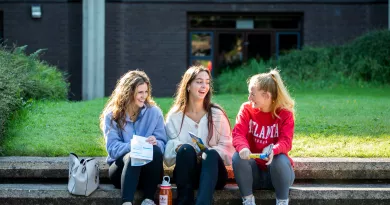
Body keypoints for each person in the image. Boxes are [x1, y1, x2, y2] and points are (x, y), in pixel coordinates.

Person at [164, 65, 235, 205]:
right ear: (188, 85)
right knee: (185, 150)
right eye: (199, 81)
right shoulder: (174, 116)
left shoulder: (216, 114)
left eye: (207, 82)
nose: (204, 86)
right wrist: (180, 147)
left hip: (213, 174)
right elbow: (168, 156)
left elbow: (229, 150)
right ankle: (184, 201)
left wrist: (207, 153)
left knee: (210, 154)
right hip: (187, 172)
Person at [100, 70, 167, 205]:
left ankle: (148, 200)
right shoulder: (112, 116)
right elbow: (113, 149)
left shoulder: (154, 113)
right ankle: (127, 202)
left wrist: (156, 143)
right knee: (133, 155)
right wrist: (135, 146)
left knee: (155, 151)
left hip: (148, 173)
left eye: (146, 92)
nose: (144, 96)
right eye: (140, 92)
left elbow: (163, 144)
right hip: (121, 171)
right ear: (128, 93)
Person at [232, 69, 295, 205]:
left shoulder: (285, 113)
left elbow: (286, 142)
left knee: (279, 159)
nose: (249, 98)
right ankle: (248, 201)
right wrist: (243, 148)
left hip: (278, 175)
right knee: (238, 157)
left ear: (266, 96)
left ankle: (282, 201)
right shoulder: (246, 109)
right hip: (253, 175)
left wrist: (273, 150)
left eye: (253, 94)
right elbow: (238, 134)